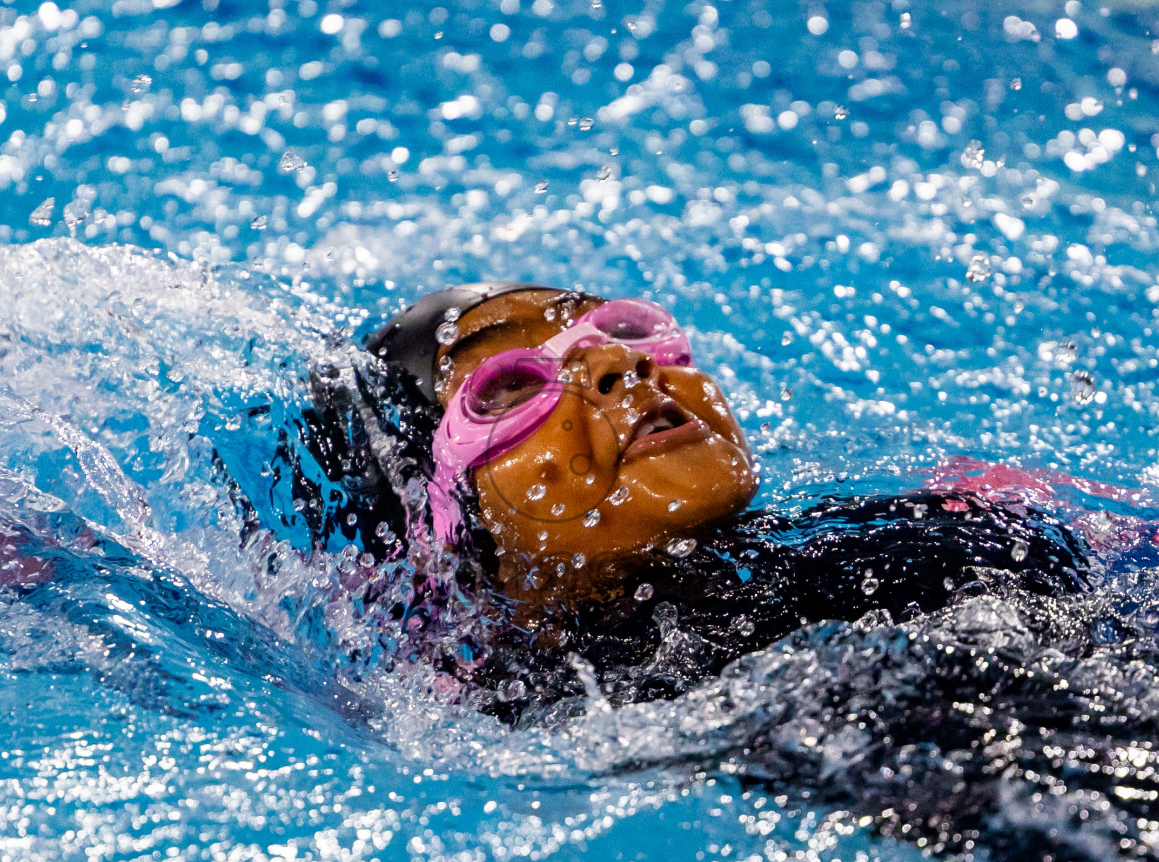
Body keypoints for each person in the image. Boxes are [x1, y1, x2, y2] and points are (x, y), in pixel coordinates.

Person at [350, 283, 1100, 722]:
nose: (619, 361)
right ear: (440, 529)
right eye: (509, 387)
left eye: (609, 331)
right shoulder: (588, 706)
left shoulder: (846, 538)